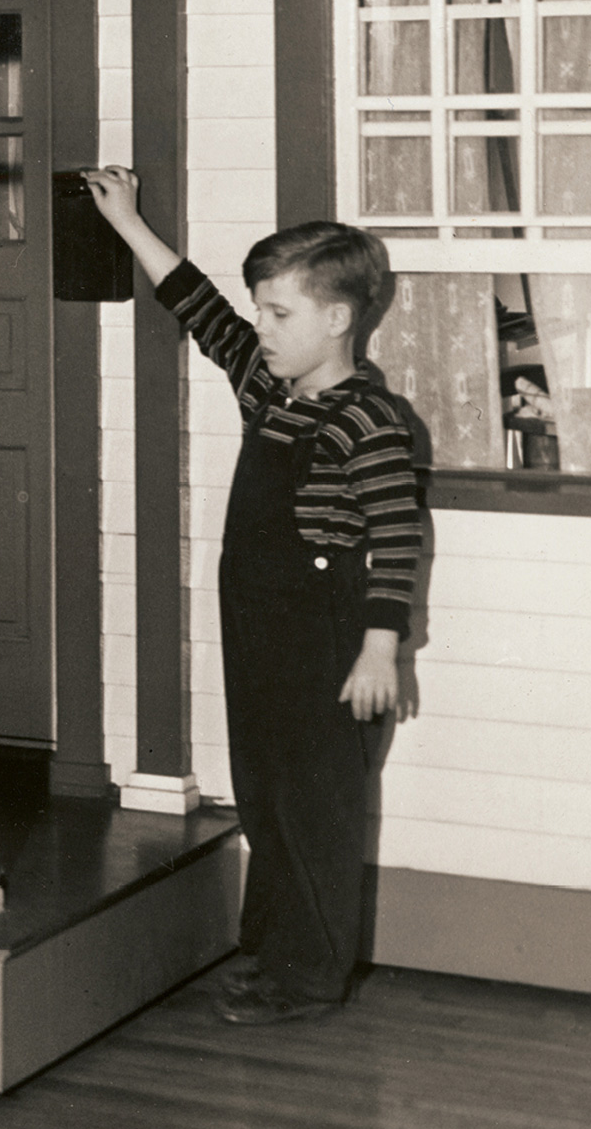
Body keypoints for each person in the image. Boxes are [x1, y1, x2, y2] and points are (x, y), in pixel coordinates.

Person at [84, 164, 421, 1025]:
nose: (261, 329)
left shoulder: (370, 422)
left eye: (280, 314)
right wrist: (126, 221)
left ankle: (310, 979)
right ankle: (271, 953)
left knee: (317, 808)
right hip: (261, 631)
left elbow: (396, 538)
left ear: (337, 318)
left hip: (333, 641)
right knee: (267, 795)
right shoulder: (270, 389)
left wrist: (380, 647)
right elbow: (196, 307)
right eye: (262, 311)